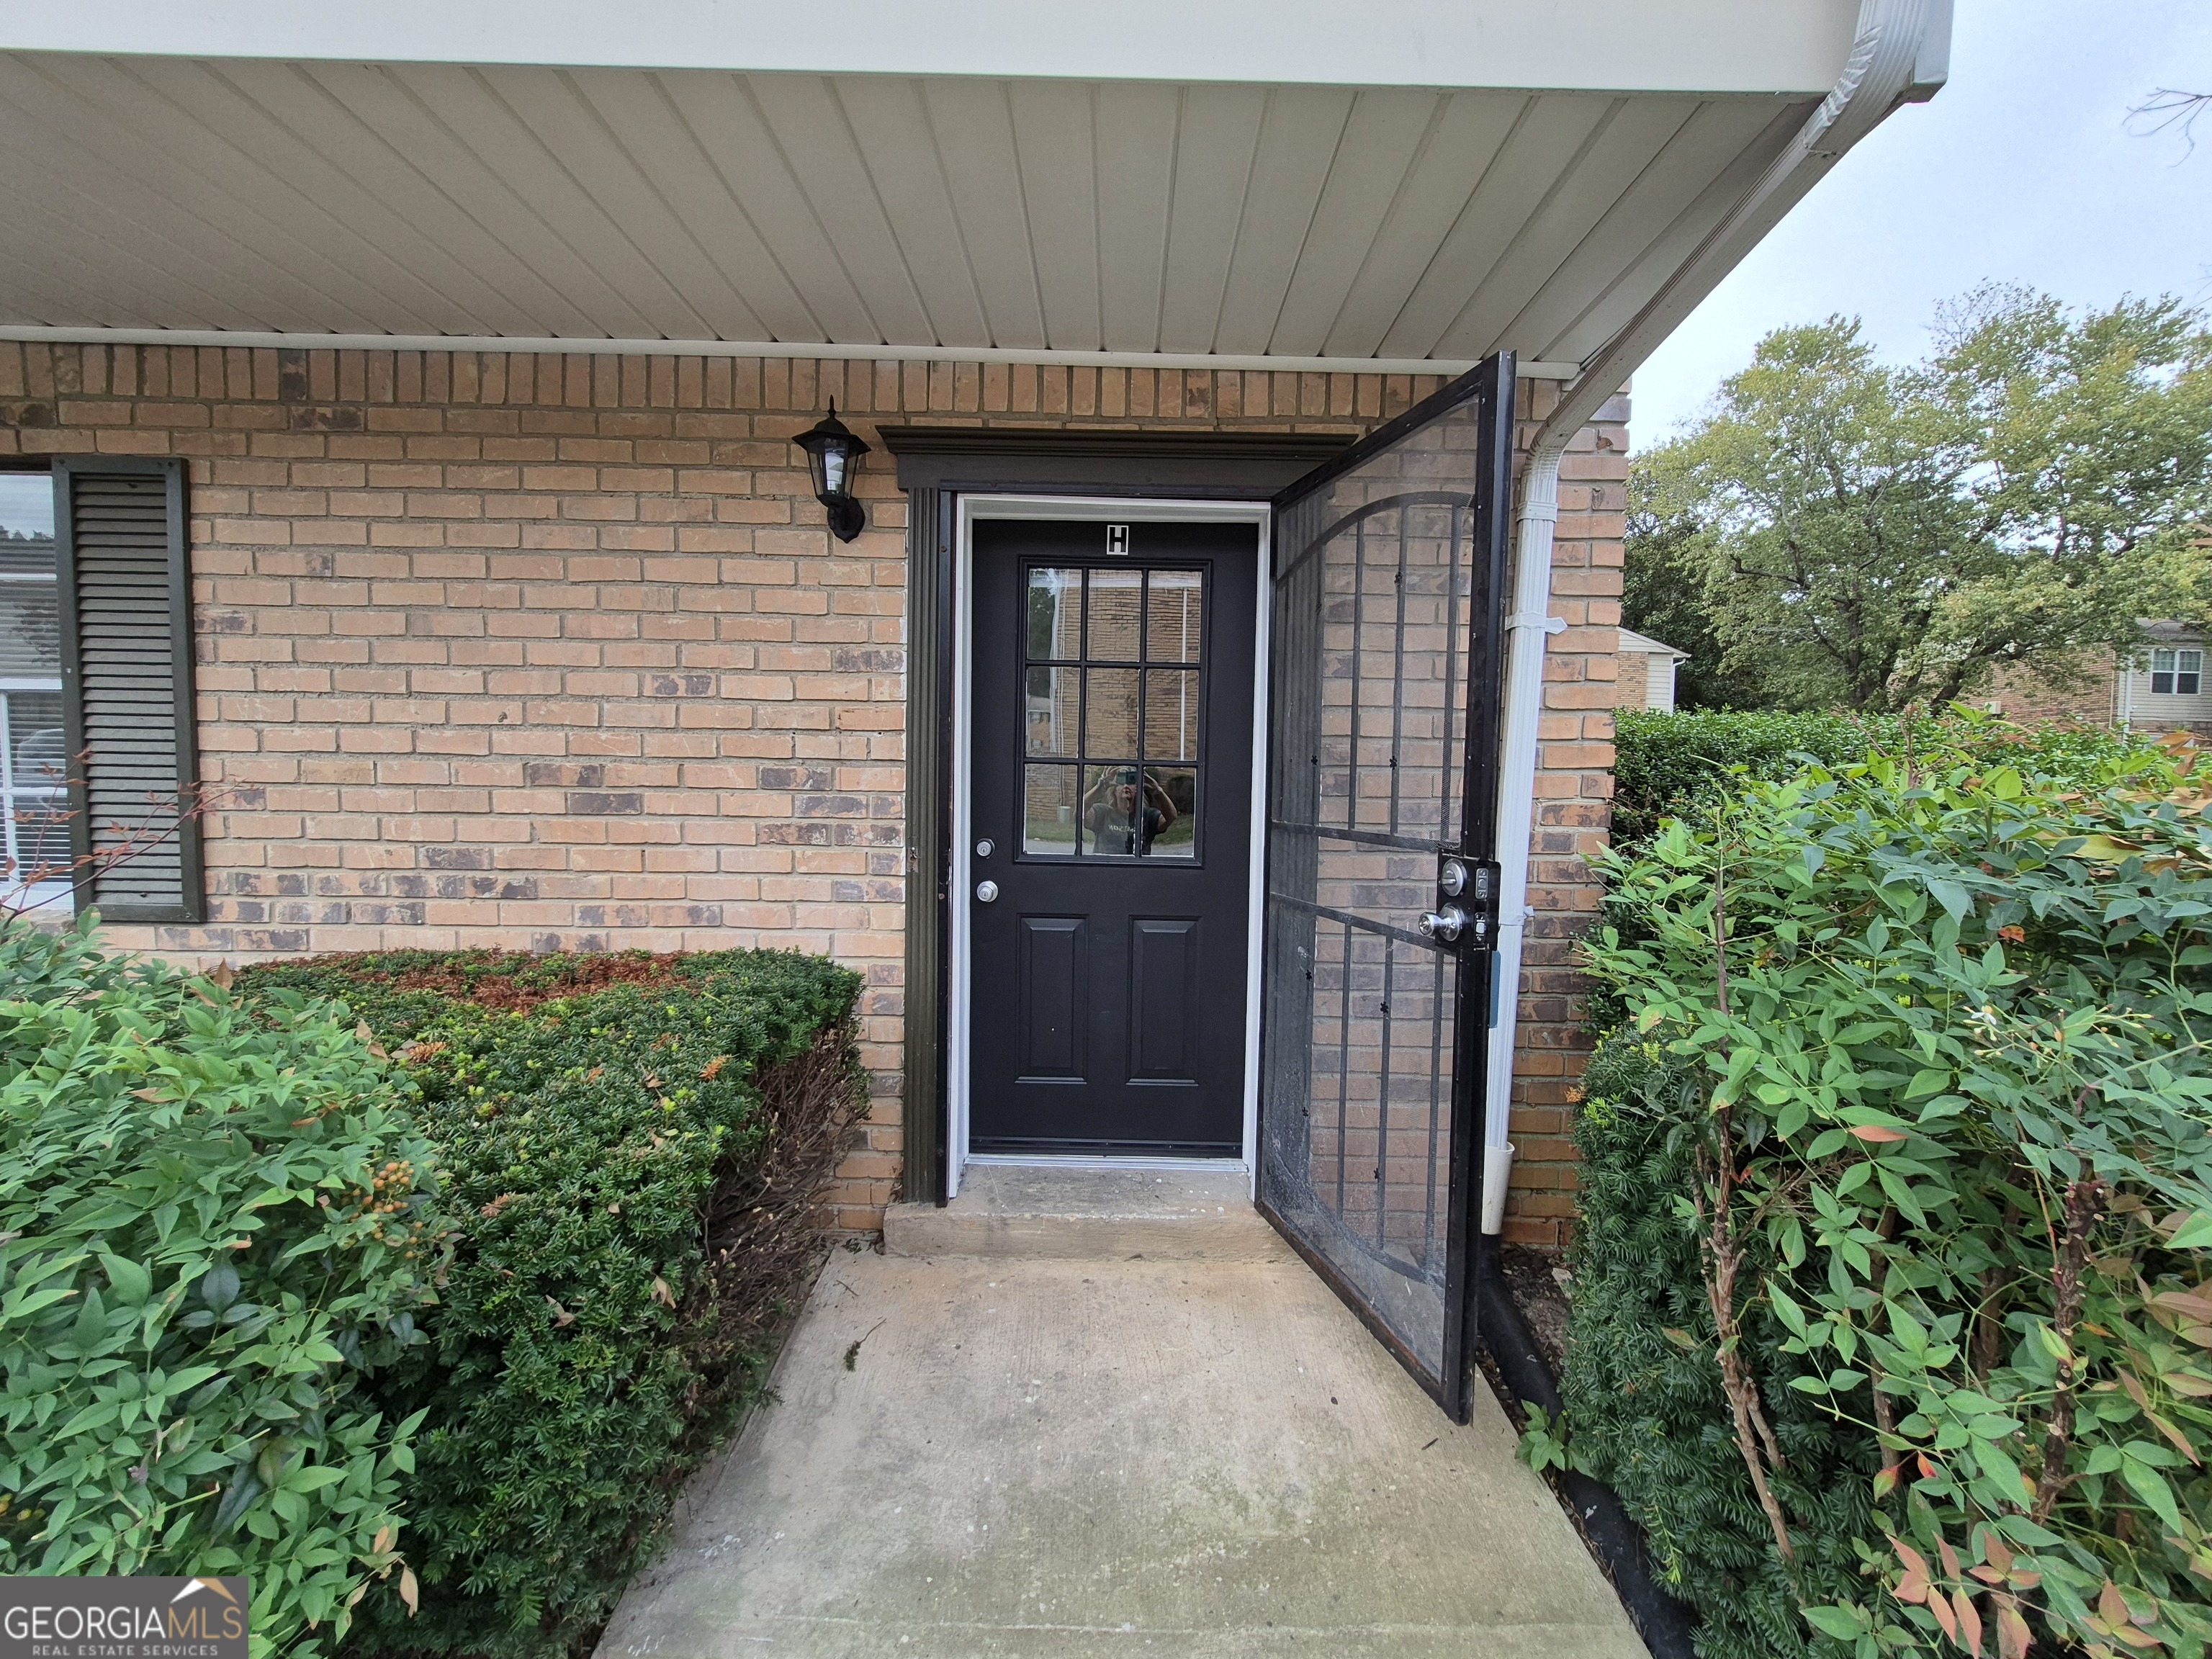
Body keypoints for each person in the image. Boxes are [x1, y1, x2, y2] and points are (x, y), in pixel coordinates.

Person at [1082, 768, 1176, 855]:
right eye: (1121, 782)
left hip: (1137, 869)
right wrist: (1101, 786)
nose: (1126, 786)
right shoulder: (1102, 813)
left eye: (1131, 781)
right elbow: (1080, 812)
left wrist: (1157, 790)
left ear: (1137, 789)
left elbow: (1171, 817)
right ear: (1114, 789)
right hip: (1106, 868)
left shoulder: (1148, 816)